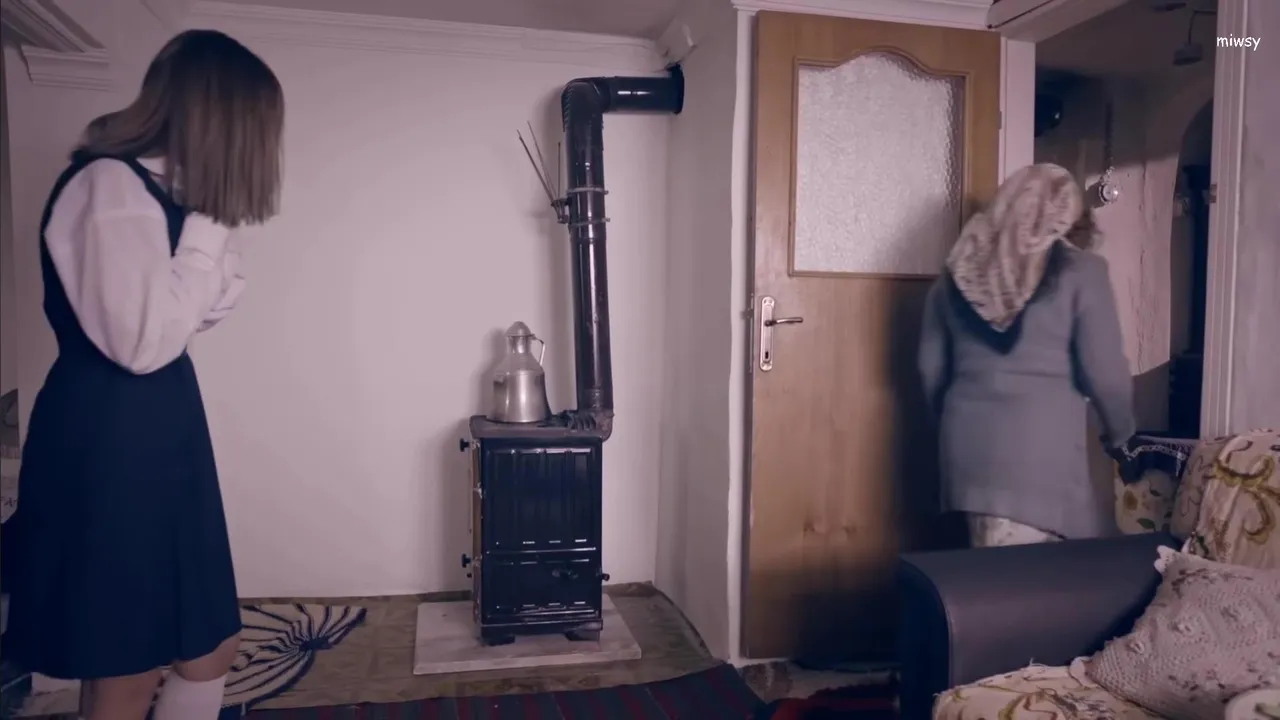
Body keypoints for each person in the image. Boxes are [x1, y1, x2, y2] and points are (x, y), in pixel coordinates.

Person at [2, 29, 283, 720]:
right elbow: (142, 344)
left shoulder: (173, 200)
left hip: (162, 427)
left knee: (208, 645)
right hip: (108, 438)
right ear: (226, 120)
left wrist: (207, 226)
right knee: (125, 663)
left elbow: (205, 311)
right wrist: (207, 230)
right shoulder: (109, 186)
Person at [917, 163, 1135, 548]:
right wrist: (1121, 434)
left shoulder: (955, 276)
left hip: (966, 459)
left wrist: (963, 419)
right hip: (1040, 462)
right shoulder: (1081, 271)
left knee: (988, 575)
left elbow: (929, 371)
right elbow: (1105, 374)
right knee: (1034, 581)